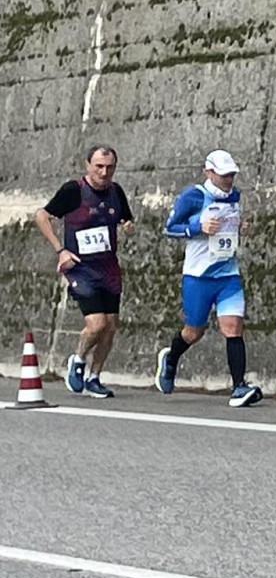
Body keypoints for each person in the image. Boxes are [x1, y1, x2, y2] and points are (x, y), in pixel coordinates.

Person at [155, 149, 263, 408]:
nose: (229, 180)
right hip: (198, 276)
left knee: (233, 327)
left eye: (232, 175)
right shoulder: (193, 196)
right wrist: (197, 228)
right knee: (194, 332)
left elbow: (230, 225)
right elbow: (170, 228)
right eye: (224, 175)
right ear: (209, 172)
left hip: (228, 275)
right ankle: (171, 359)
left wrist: (241, 228)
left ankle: (239, 387)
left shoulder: (235, 196)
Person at [33, 144, 134, 398]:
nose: (104, 172)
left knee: (110, 326)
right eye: (99, 166)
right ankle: (78, 359)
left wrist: (128, 226)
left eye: (109, 167)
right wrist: (60, 250)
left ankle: (94, 377)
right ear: (87, 165)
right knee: (97, 323)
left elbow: (126, 218)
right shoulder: (74, 190)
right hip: (81, 268)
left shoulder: (116, 191)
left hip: (108, 268)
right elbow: (41, 216)